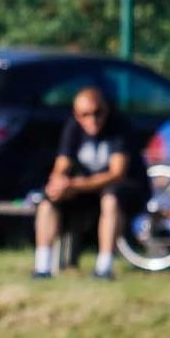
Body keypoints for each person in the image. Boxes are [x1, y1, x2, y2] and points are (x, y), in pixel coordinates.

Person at [32, 87, 148, 280]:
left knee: (110, 198)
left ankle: (104, 268)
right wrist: (57, 183)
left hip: (126, 190)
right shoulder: (73, 128)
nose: (93, 119)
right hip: (87, 191)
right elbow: (62, 163)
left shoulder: (119, 127)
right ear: (77, 115)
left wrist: (75, 185)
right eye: (85, 114)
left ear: (105, 109)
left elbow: (117, 173)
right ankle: (42, 267)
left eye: (98, 112)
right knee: (47, 202)